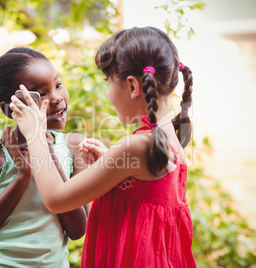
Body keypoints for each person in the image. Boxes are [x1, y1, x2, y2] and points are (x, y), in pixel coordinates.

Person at [10, 27, 196, 267]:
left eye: (108, 81)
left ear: (132, 86)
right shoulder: (171, 140)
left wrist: (33, 132)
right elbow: (146, 192)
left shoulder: (135, 146)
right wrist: (111, 166)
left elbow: (56, 199)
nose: (108, 91)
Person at [0, 47, 88, 267]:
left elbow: (78, 230)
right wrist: (22, 176)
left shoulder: (74, 147)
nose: (57, 98)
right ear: (10, 109)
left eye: (58, 85)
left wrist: (45, 145)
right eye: (41, 94)